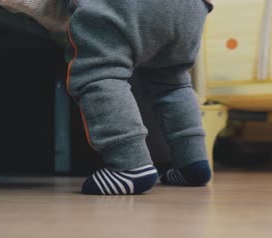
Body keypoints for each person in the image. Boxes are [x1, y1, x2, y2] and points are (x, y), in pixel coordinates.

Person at [66, 0, 213, 195]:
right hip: (192, 8)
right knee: (173, 82)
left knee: (101, 70)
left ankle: (129, 164)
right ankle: (193, 162)